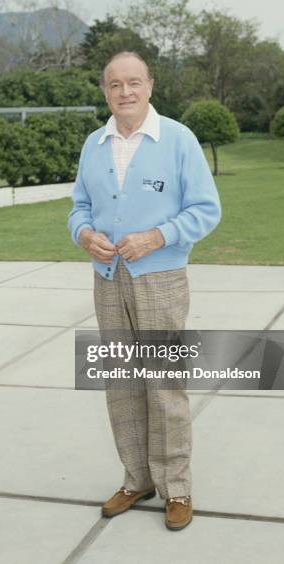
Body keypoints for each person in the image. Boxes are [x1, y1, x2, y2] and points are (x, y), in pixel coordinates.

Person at [68, 50, 221, 531]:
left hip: (161, 280)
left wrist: (158, 237)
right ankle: (137, 478)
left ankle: (177, 486)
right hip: (108, 280)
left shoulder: (177, 139)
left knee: (164, 385)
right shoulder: (94, 143)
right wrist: (84, 234)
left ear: (150, 86)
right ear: (105, 92)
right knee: (120, 384)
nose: (125, 92)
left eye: (134, 82)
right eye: (115, 85)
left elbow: (205, 209)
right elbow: (78, 207)